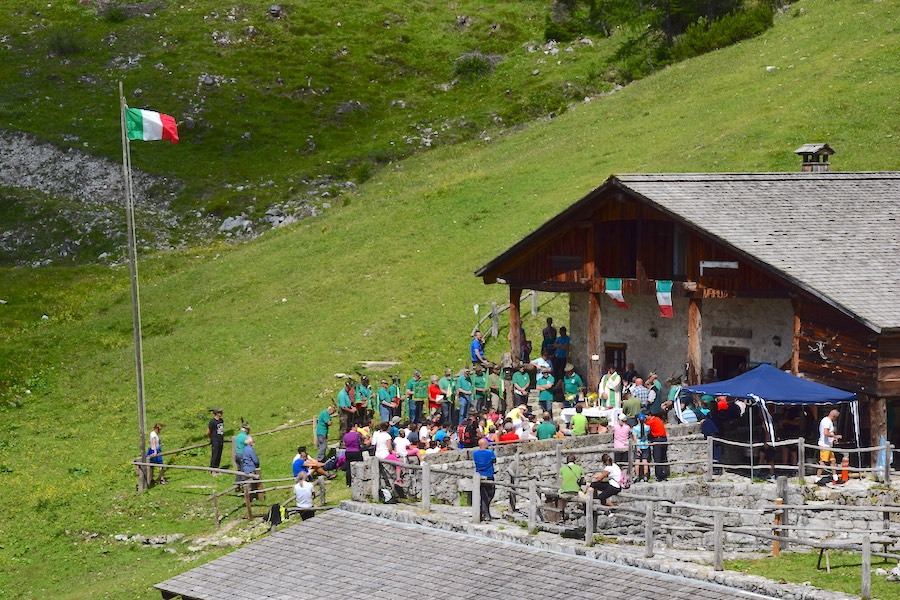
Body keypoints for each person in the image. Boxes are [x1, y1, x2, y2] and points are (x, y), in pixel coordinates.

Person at [472, 438, 497, 520]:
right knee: (490, 493)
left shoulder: (475, 453)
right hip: (488, 475)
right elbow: (494, 460)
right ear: (486, 444)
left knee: (483, 494)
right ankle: (485, 512)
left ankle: (484, 511)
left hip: (479, 476)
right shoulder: (490, 452)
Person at [816, 408, 842, 485]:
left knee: (833, 461)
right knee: (823, 462)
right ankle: (817, 479)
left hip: (828, 445)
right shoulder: (827, 422)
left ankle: (835, 478)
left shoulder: (825, 420)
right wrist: (835, 436)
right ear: (834, 416)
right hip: (825, 445)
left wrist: (832, 439)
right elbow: (826, 433)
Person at [645, 411, 669, 482]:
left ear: (649, 415)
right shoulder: (657, 419)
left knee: (657, 458)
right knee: (663, 458)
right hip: (664, 439)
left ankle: (659, 476)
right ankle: (665, 474)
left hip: (657, 440)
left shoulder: (649, 422)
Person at [633, 414, 651, 482]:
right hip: (645, 445)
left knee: (637, 461)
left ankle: (637, 476)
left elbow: (635, 438)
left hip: (638, 445)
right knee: (645, 461)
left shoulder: (635, 428)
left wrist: (637, 447)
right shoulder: (647, 427)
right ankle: (645, 476)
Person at [207, 408, 225, 475]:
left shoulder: (221, 420)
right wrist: (211, 438)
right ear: (216, 413)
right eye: (220, 412)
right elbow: (208, 431)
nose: (221, 413)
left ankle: (217, 468)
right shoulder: (212, 421)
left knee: (219, 455)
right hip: (215, 440)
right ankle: (212, 470)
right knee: (215, 455)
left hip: (220, 439)